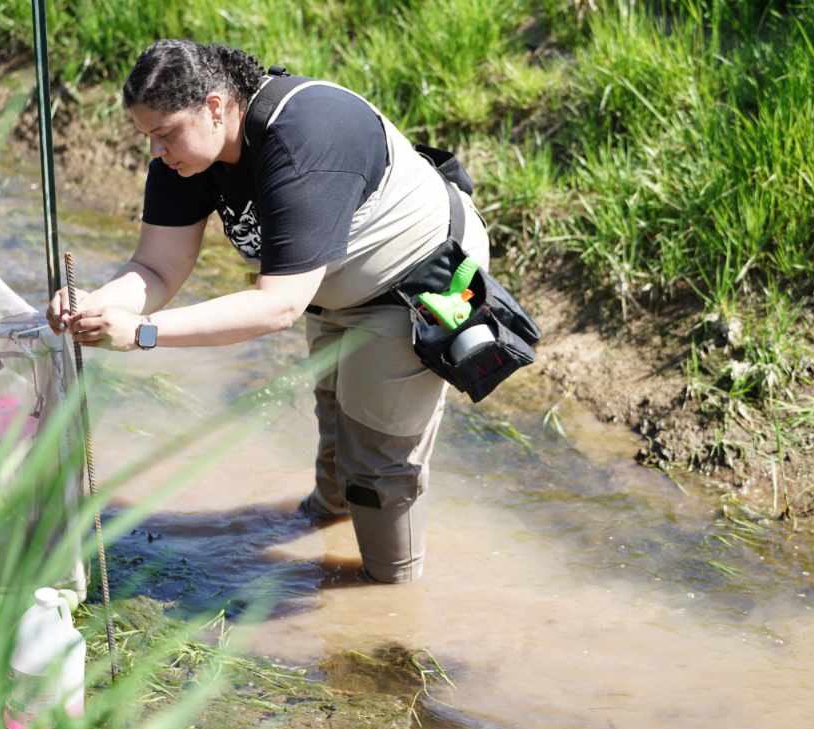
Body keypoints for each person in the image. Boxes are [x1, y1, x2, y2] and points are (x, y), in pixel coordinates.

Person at [46, 39, 490, 584]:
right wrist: (96, 304)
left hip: (414, 284)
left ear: (214, 106)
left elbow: (277, 305)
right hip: (331, 286)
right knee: (335, 430)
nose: (157, 152)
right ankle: (327, 527)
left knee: (376, 464)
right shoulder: (184, 159)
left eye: (164, 134)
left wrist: (141, 333)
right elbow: (157, 270)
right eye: (148, 138)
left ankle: (389, 609)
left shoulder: (301, 139)